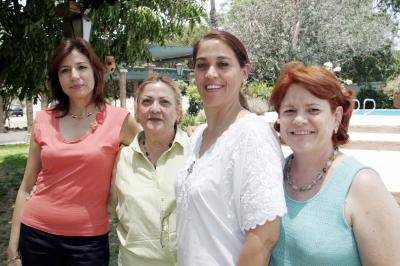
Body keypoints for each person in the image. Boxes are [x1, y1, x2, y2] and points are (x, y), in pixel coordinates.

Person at [6, 38, 140, 266]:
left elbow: (155, 143)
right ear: (58, 79)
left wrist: (188, 133)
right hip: (36, 233)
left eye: (81, 67)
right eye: (65, 70)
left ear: (95, 71)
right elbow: (26, 188)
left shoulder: (120, 120)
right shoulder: (43, 120)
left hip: (88, 241)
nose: (74, 76)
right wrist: (12, 251)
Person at [269, 61, 400, 265]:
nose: (299, 120)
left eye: (312, 110)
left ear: (336, 116)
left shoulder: (362, 184)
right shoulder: (273, 173)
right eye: (289, 111)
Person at [175, 30, 287, 266]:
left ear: (244, 72)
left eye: (223, 64)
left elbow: (264, 238)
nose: (211, 73)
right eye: (202, 65)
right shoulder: (197, 139)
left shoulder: (253, 136)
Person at [110, 75, 188, 265]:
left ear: (178, 113)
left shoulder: (196, 153)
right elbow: (106, 207)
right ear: (137, 112)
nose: (155, 108)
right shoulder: (120, 159)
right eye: (147, 102)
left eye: (164, 102)